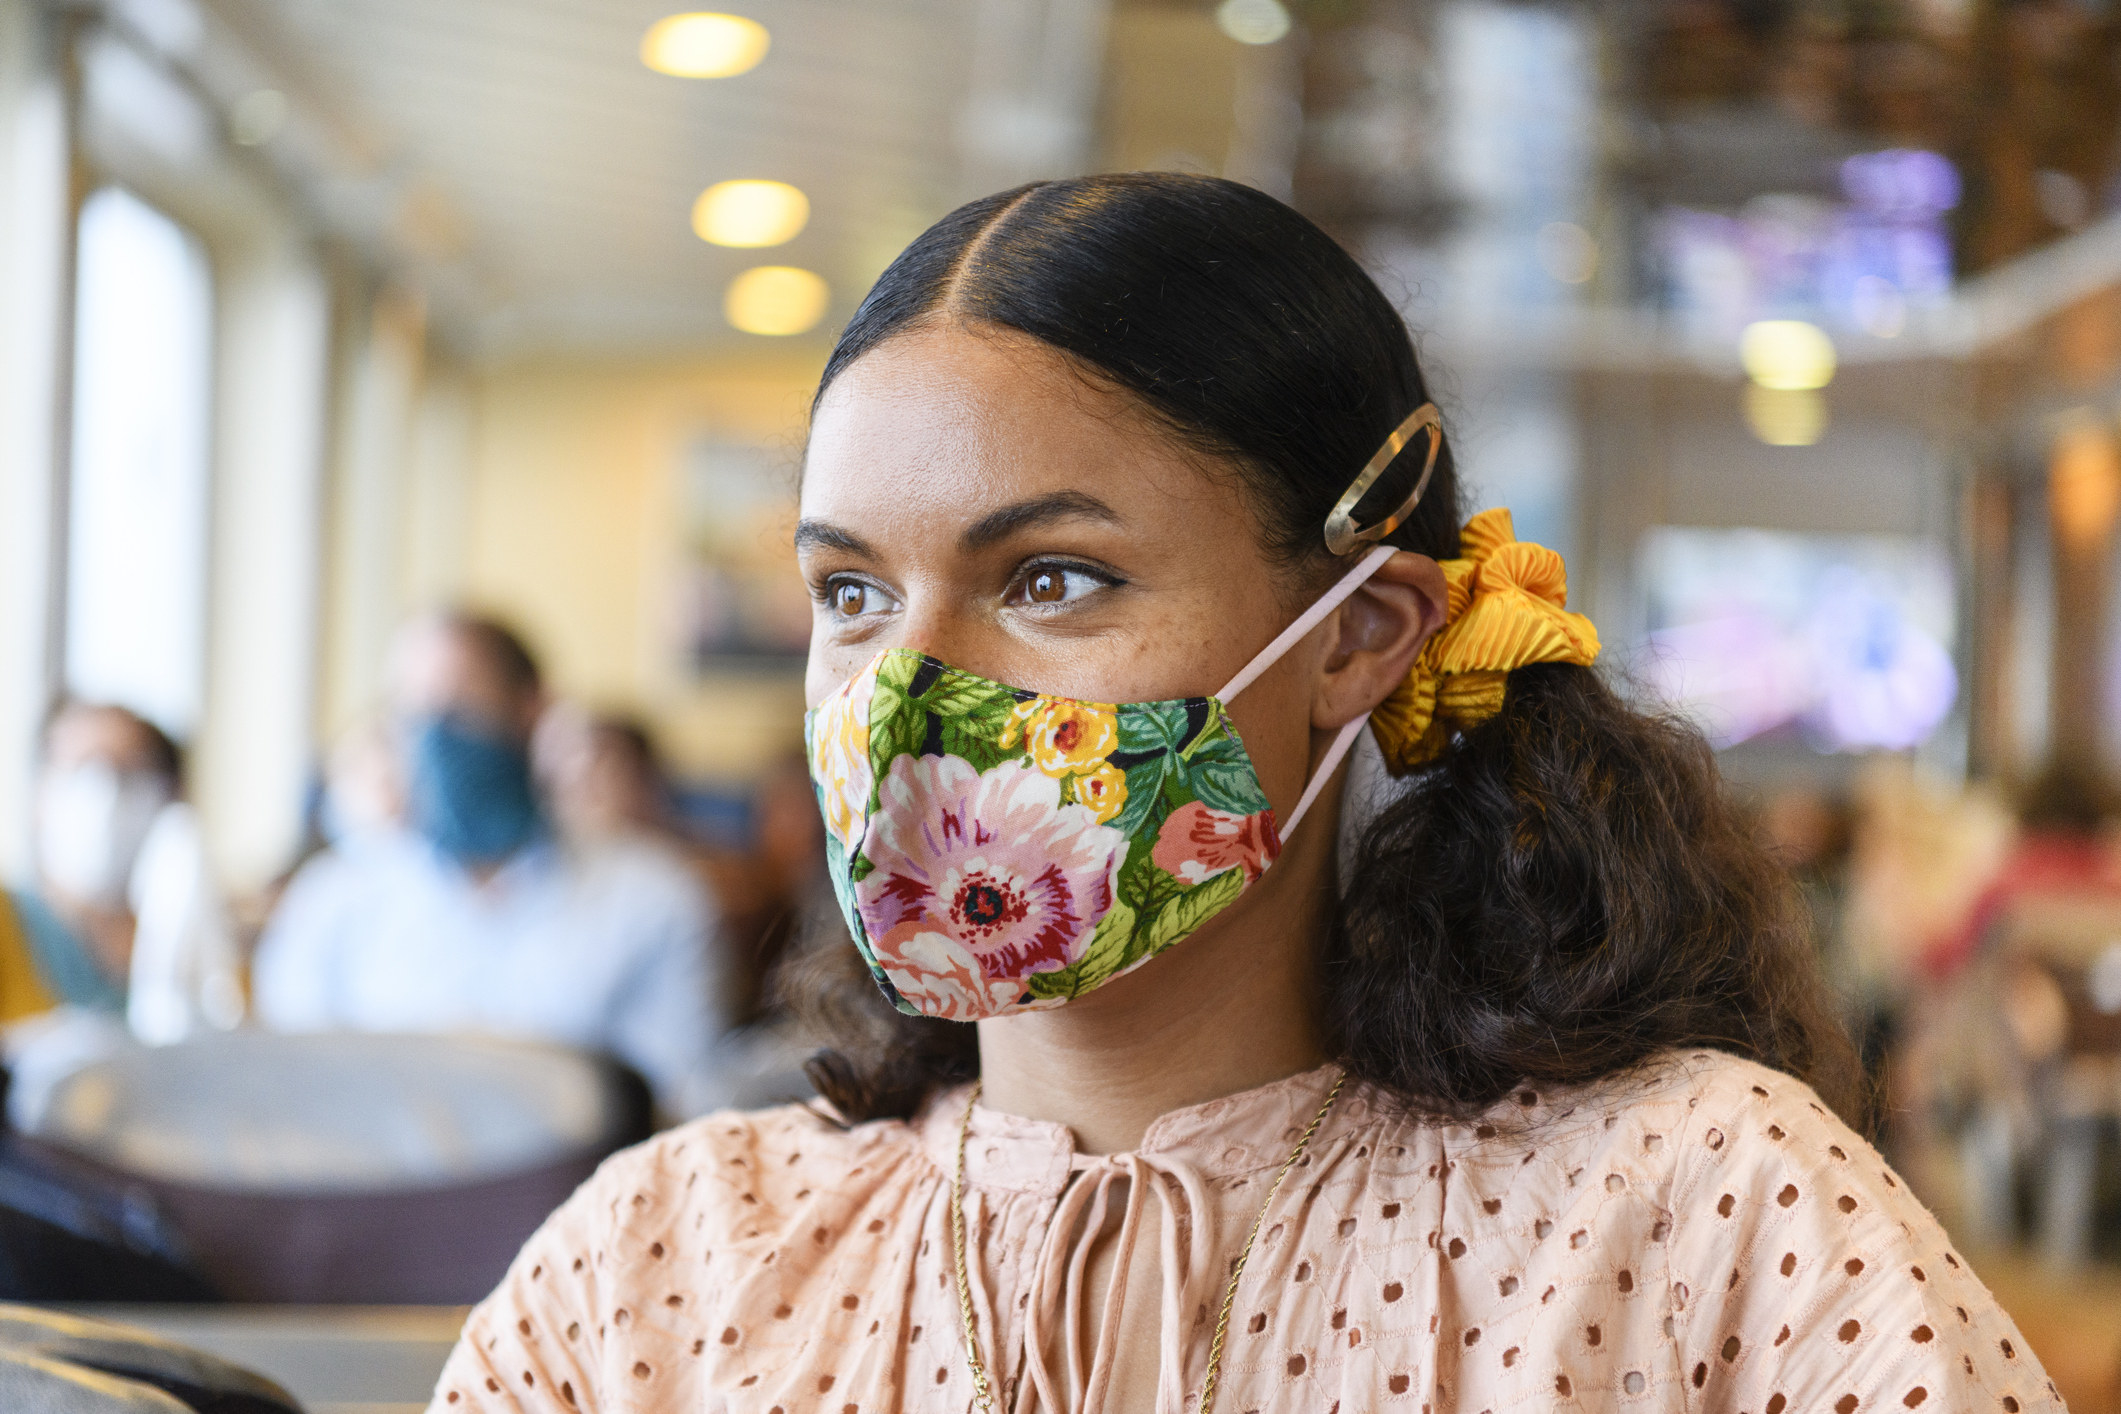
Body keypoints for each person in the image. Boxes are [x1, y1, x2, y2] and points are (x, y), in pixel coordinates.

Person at [429, 176, 2055, 1413]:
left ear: (1356, 633)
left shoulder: (1699, 1220)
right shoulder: (660, 1276)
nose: (909, 692)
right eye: (850, 591)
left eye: (1050, 575)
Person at [253, 612, 729, 1116]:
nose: (436, 740)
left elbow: (669, 1109)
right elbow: (291, 1101)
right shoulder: (333, 901)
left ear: (532, 708)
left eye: (461, 708)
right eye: (414, 715)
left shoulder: (652, 900)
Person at [1, 701, 241, 1042]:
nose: (105, 793)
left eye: (128, 772)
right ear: (38, 793)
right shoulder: (9, 924)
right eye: (80, 768)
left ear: (171, 794)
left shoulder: (204, 937)